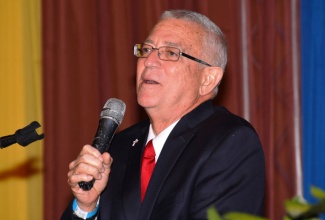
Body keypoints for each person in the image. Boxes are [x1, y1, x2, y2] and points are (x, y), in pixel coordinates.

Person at [61, 9, 265, 220]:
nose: (148, 61)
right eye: (147, 49)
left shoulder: (228, 142)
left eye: (170, 53)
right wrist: (86, 207)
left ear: (208, 79)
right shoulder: (117, 147)